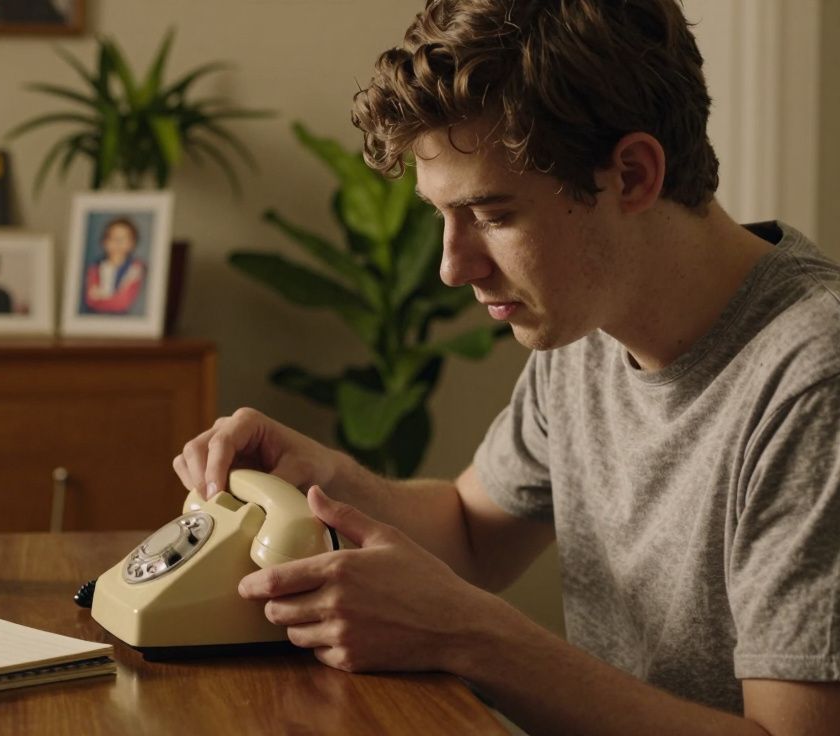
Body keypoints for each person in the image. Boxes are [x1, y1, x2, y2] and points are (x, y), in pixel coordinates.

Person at [173, 1, 840, 734]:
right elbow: (469, 532)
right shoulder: (588, 321)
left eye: (492, 216)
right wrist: (320, 476)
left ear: (633, 174)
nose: (454, 268)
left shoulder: (814, 378)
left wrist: (471, 636)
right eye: (441, 215)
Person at [82, 217, 146, 314]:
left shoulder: (136, 268)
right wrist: (113, 295)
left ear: (132, 243)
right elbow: (91, 301)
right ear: (104, 242)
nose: (117, 242)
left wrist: (102, 295)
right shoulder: (95, 268)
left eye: (122, 238)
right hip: (94, 319)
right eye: (112, 237)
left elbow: (123, 303)